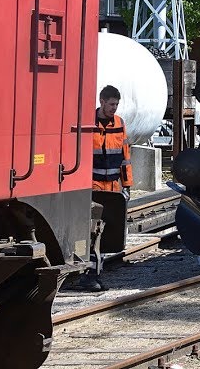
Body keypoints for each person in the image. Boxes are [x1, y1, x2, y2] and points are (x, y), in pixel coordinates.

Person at [73, 85, 133, 291]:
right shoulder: (89, 123)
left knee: (107, 232)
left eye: (116, 104)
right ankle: (90, 274)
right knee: (92, 231)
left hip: (113, 187)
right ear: (102, 102)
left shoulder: (119, 124)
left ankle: (95, 273)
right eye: (111, 104)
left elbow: (125, 158)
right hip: (94, 186)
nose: (114, 108)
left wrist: (127, 185)